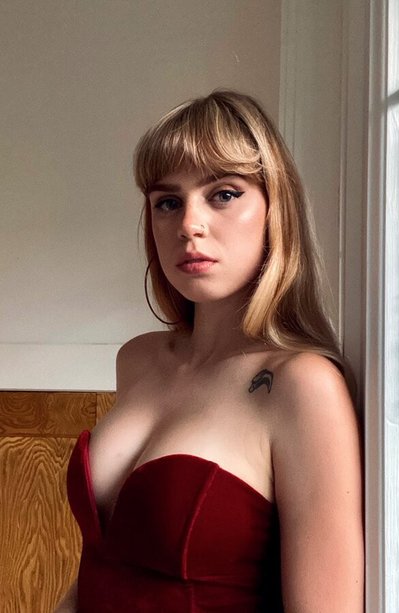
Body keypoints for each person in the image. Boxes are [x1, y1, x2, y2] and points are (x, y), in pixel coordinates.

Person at [55, 90, 363, 612]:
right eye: (167, 202)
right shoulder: (140, 359)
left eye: (222, 194)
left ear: (275, 207)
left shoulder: (302, 385)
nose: (188, 225)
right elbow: (104, 568)